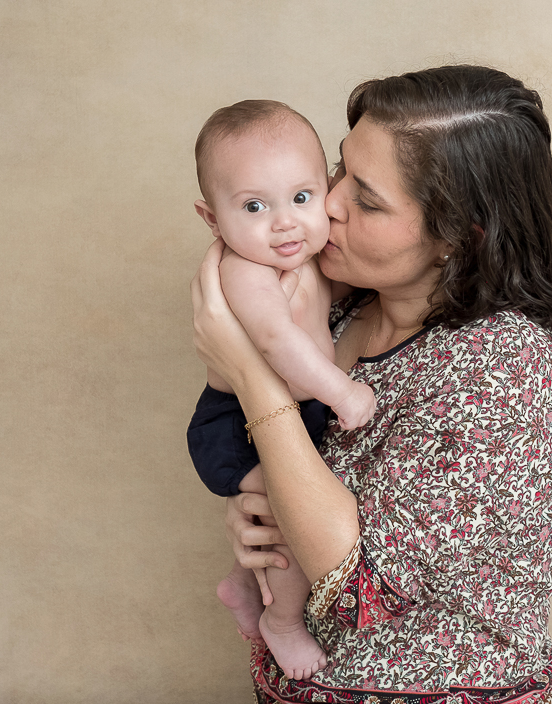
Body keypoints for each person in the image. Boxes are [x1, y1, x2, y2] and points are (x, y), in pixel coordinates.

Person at [190, 66, 552, 702]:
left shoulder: (507, 366)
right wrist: (254, 516)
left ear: (457, 236)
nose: (328, 203)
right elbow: (293, 485)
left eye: (366, 199)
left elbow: (356, 583)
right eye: (338, 171)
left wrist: (250, 375)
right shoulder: (338, 302)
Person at [190, 100, 376, 680]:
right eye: (253, 206)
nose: (285, 222)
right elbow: (276, 345)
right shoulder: (244, 271)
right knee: (289, 519)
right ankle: (284, 622)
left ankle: (245, 587)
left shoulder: (310, 255)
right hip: (236, 425)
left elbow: (328, 304)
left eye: (302, 197)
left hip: (289, 414)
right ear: (213, 220)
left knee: (283, 508)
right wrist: (341, 393)